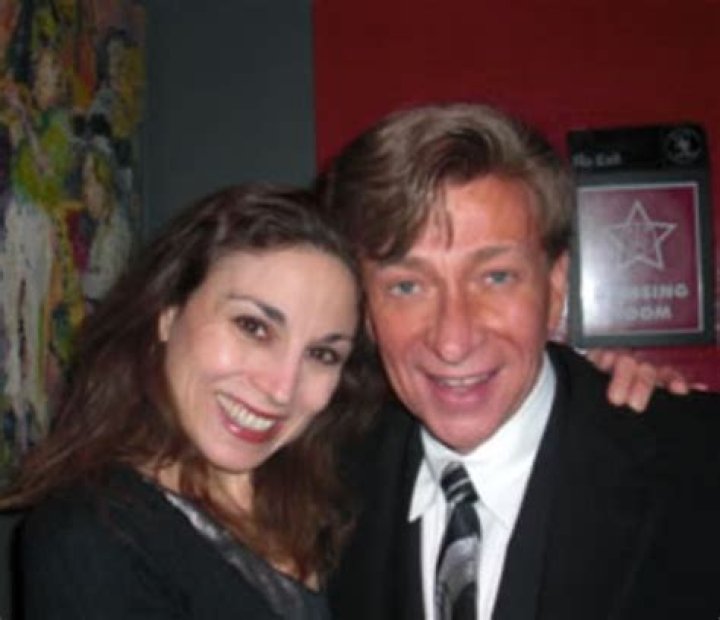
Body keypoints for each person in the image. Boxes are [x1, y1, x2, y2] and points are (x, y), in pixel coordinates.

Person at [320, 103, 720, 620]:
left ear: (555, 289)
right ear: (367, 312)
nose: (453, 340)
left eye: (496, 277)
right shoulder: (320, 485)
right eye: (407, 286)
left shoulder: (698, 467)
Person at [1, 184, 380, 619]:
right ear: (168, 313)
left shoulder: (337, 495)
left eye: (322, 354)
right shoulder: (89, 538)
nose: (281, 389)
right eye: (253, 327)